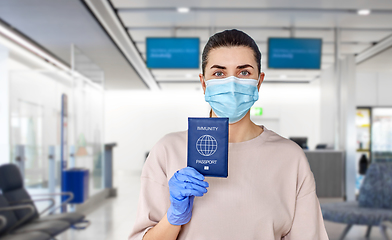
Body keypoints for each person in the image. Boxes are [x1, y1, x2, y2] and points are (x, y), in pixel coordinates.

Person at [129, 29, 329, 240]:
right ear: (204, 83)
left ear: (259, 82)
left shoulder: (290, 158)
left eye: (243, 73)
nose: (232, 84)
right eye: (219, 73)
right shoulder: (168, 151)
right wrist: (174, 217)